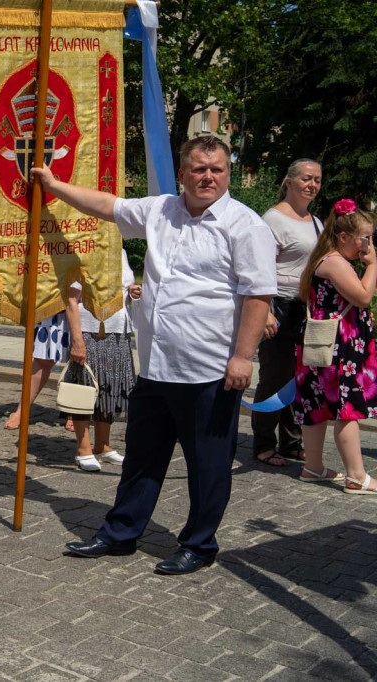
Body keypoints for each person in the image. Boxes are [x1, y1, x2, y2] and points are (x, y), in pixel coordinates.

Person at [39, 135, 276, 576]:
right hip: (156, 367)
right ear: (182, 173)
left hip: (210, 370)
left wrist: (244, 357)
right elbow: (106, 206)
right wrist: (55, 187)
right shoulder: (161, 209)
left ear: (227, 173)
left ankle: (199, 544)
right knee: (143, 457)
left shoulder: (246, 226)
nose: (208, 176)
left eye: (217, 169)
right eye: (199, 168)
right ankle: (120, 533)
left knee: (207, 465)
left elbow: (257, 294)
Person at [291, 200, 377, 493]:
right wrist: (374, 265)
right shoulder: (336, 262)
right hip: (339, 346)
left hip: (323, 343)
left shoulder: (326, 259)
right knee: (346, 406)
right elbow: (364, 296)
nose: (368, 244)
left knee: (315, 405)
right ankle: (356, 475)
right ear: (343, 237)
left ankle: (313, 468)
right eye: (365, 237)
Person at [252, 159, 324, 467]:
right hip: (278, 305)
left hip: (305, 308)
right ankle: (264, 443)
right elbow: (260, 267)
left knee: (299, 378)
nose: (312, 185)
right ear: (290, 182)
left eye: (317, 180)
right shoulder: (273, 219)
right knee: (273, 376)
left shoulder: (315, 221)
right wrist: (265, 311)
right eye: (307, 179)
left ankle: (292, 441)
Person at [62, 250, 139, 471]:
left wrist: (132, 292)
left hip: (118, 331)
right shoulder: (83, 250)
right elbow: (71, 300)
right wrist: (77, 340)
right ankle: (83, 448)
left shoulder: (121, 251)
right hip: (89, 331)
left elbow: (124, 288)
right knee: (84, 390)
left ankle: (103, 445)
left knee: (110, 389)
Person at [4, 311, 72, 430]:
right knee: (42, 359)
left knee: (79, 361)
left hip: (84, 304)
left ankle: (76, 412)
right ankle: (21, 411)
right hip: (54, 302)